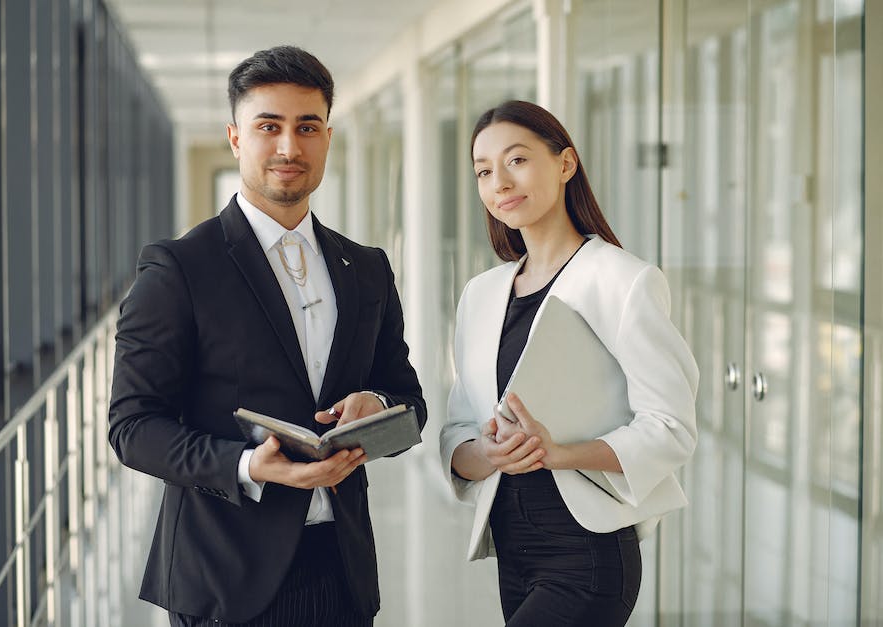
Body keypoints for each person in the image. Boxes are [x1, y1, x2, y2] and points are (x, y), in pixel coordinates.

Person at [108, 45, 426, 627]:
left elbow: (409, 400)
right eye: (268, 126)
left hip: (342, 573)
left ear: (327, 137)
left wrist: (376, 405)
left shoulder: (367, 267)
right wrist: (250, 465)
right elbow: (132, 428)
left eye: (307, 127)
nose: (289, 146)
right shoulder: (178, 267)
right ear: (235, 138)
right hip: (223, 578)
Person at [439, 100, 699, 626]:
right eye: (484, 171)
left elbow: (672, 429)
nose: (499, 183)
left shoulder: (623, 281)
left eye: (517, 160)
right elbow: (456, 438)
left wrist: (560, 453)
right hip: (512, 551)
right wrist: (488, 452)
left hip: (587, 552)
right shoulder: (481, 294)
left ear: (565, 164)